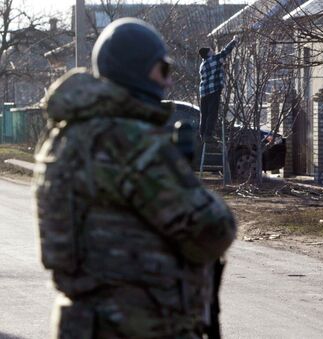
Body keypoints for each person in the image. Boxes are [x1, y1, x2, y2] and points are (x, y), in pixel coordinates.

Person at [34, 18, 236, 338]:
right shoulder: (127, 139)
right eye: (163, 70)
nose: (167, 82)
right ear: (137, 71)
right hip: (138, 324)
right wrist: (184, 175)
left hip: (83, 322)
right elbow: (212, 230)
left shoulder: (63, 136)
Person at [198, 35, 237, 141]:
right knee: (212, 113)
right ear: (208, 54)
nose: (213, 52)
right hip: (213, 90)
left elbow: (214, 71)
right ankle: (208, 135)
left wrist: (222, 68)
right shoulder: (213, 60)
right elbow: (225, 52)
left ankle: (203, 134)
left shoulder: (203, 64)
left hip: (203, 92)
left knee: (204, 114)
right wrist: (234, 41)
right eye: (211, 51)